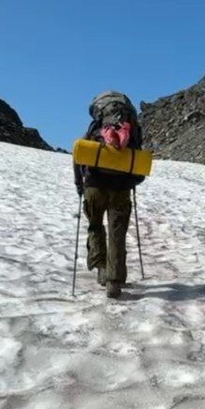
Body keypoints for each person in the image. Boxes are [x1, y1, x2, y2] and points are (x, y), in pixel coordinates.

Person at [74, 92, 145, 300]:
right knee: (118, 232)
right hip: (122, 188)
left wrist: (80, 185)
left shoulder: (96, 126)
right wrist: (133, 182)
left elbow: (80, 155)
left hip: (95, 186)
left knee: (95, 225)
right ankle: (115, 280)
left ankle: (101, 270)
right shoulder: (132, 128)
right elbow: (137, 158)